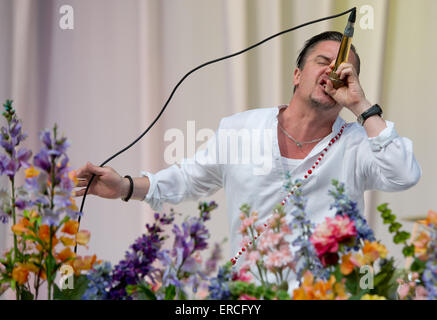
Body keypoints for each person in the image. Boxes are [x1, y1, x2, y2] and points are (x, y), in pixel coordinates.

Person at [75, 31, 421, 275]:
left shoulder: (360, 141)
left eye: (345, 68)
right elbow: (186, 178)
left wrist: (361, 105)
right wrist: (124, 187)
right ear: (297, 75)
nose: (334, 70)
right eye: (323, 61)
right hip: (249, 296)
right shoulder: (240, 128)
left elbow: (403, 175)